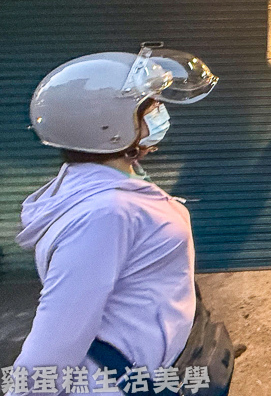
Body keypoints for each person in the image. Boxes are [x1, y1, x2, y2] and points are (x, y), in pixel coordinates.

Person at [9, 46, 221, 396]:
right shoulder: (105, 214)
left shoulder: (114, 178)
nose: (160, 112)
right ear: (108, 125)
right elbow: (55, 342)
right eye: (150, 106)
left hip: (157, 366)